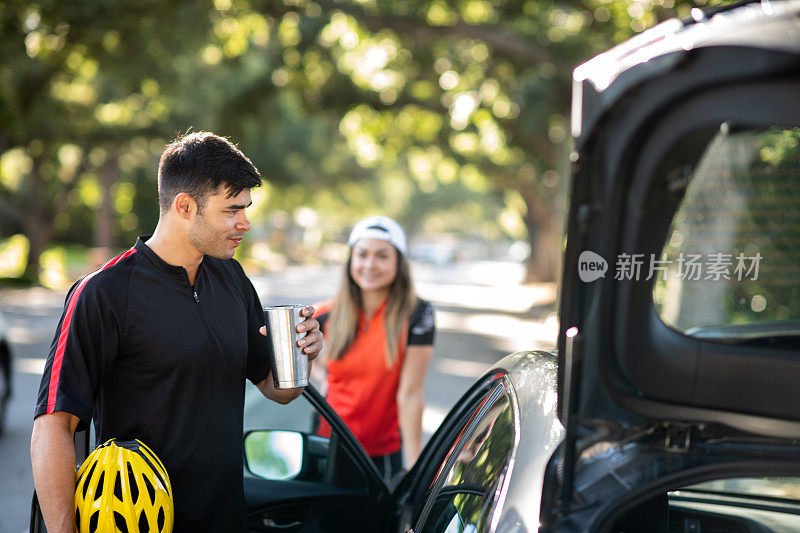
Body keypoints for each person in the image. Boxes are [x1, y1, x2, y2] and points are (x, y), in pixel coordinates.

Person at [29, 131, 323, 533]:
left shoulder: (232, 278)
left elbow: (278, 389)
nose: (245, 223)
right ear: (185, 206)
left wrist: (303, 353)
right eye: (231, 210)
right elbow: (53, 426)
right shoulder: (103, 293)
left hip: (226, 519)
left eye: (246, 208)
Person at [313, 215, 435, 482]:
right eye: (363, 254)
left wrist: (415, 471)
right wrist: (322, 377)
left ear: (398, 263)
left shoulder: (418, 313)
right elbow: (295, 353)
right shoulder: (324, 314)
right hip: (328, 443)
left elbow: (411, 394)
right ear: (351, 261)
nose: (370, 264)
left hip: (383, 454)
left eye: (382, 256)